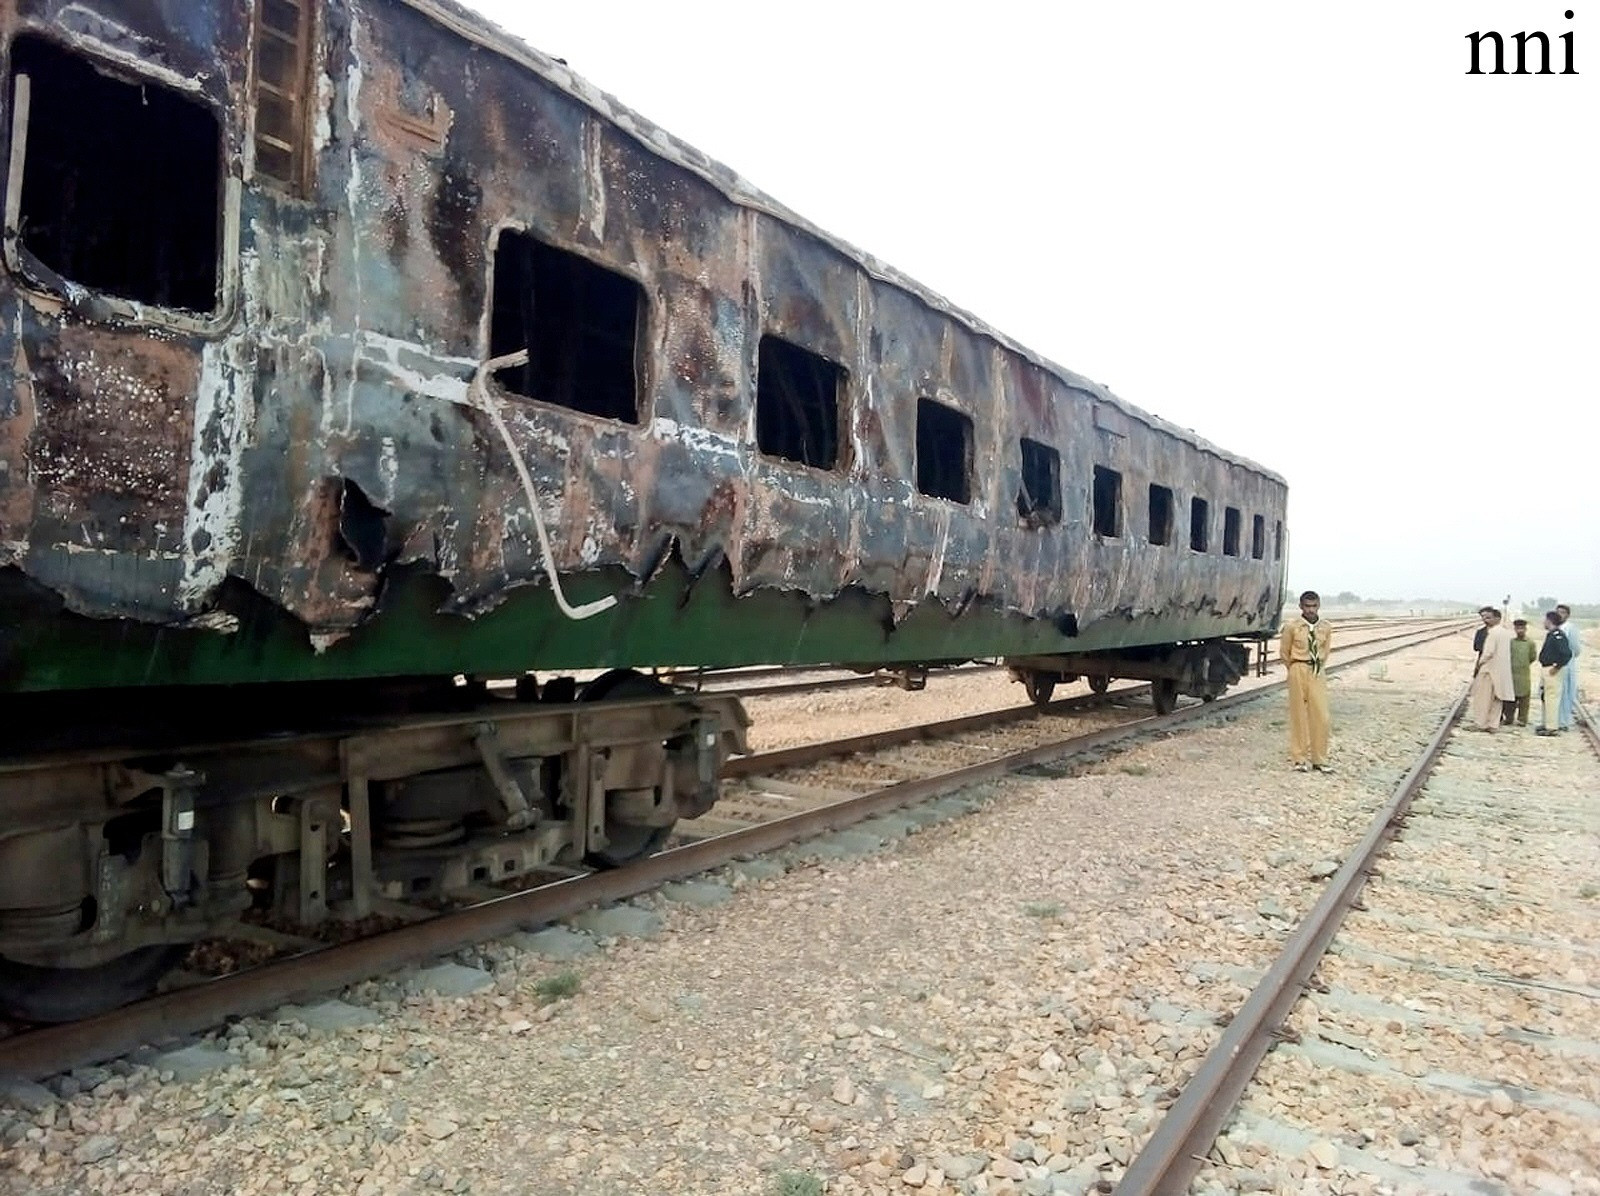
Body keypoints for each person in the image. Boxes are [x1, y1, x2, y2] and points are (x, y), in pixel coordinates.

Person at [1279, 590, 1333, 772]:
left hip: (1316, 669)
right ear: (1301, 606)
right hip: (1297, 668)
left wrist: (1316, 666)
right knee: (1299, 715)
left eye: (1314, 606)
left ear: (1319, 606)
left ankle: (1320, 759)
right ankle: (1299, 759)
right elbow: (1284, 652)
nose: (1311, 610)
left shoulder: (1325, 627)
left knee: (1321, 715)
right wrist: (1294, 668)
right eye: (1307, 606)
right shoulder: (1292, 627)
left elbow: (1326, 650)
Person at [1467, 607, 1514, 733]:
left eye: (1488, 617)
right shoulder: (1506, 633)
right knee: (1497, 698)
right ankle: (1493, 724)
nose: (1485, 620)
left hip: (1489, 669)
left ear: (1496, 618)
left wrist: (1480, 664)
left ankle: (1480, 723)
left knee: (1483, 698)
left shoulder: (1493, 633)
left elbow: (1488, 652)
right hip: (1502, 670)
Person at [1536, 611, 1574, 736]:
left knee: (1552, 698)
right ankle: (1547, 723)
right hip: (1547, 669)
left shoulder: (1558, 635)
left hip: (1553, 670)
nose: (1543, 622)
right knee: (1546, 697)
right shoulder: (1552, 634)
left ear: (1550, 620)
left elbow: (1567, 654)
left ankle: (1552, 727)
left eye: (1545, 620)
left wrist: (1557, 667)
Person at [1555, 604, 1581, 731]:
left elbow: (1576, 649)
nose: (1560, 614)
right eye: (1558, 612)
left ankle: (1564, 722)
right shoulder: (1554, 627)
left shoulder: (1570, 628)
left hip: (1567, 664)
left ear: (1567, 615)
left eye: (1563, 612)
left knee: (1566, 693)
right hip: (1553, 665)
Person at [1507, 619, 1537, 727]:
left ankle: (1522, 719)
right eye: (1517, 628)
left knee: (1524, 697)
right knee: (1511, 698)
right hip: (1511, 674)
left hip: (1524, 673)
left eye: (1522, 628)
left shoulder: (1530, 643)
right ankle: (1509, 718)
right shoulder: (1511, 642)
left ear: (1525, 629)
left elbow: (1533, 657)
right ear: (1514, 629)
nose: (1520, 630)